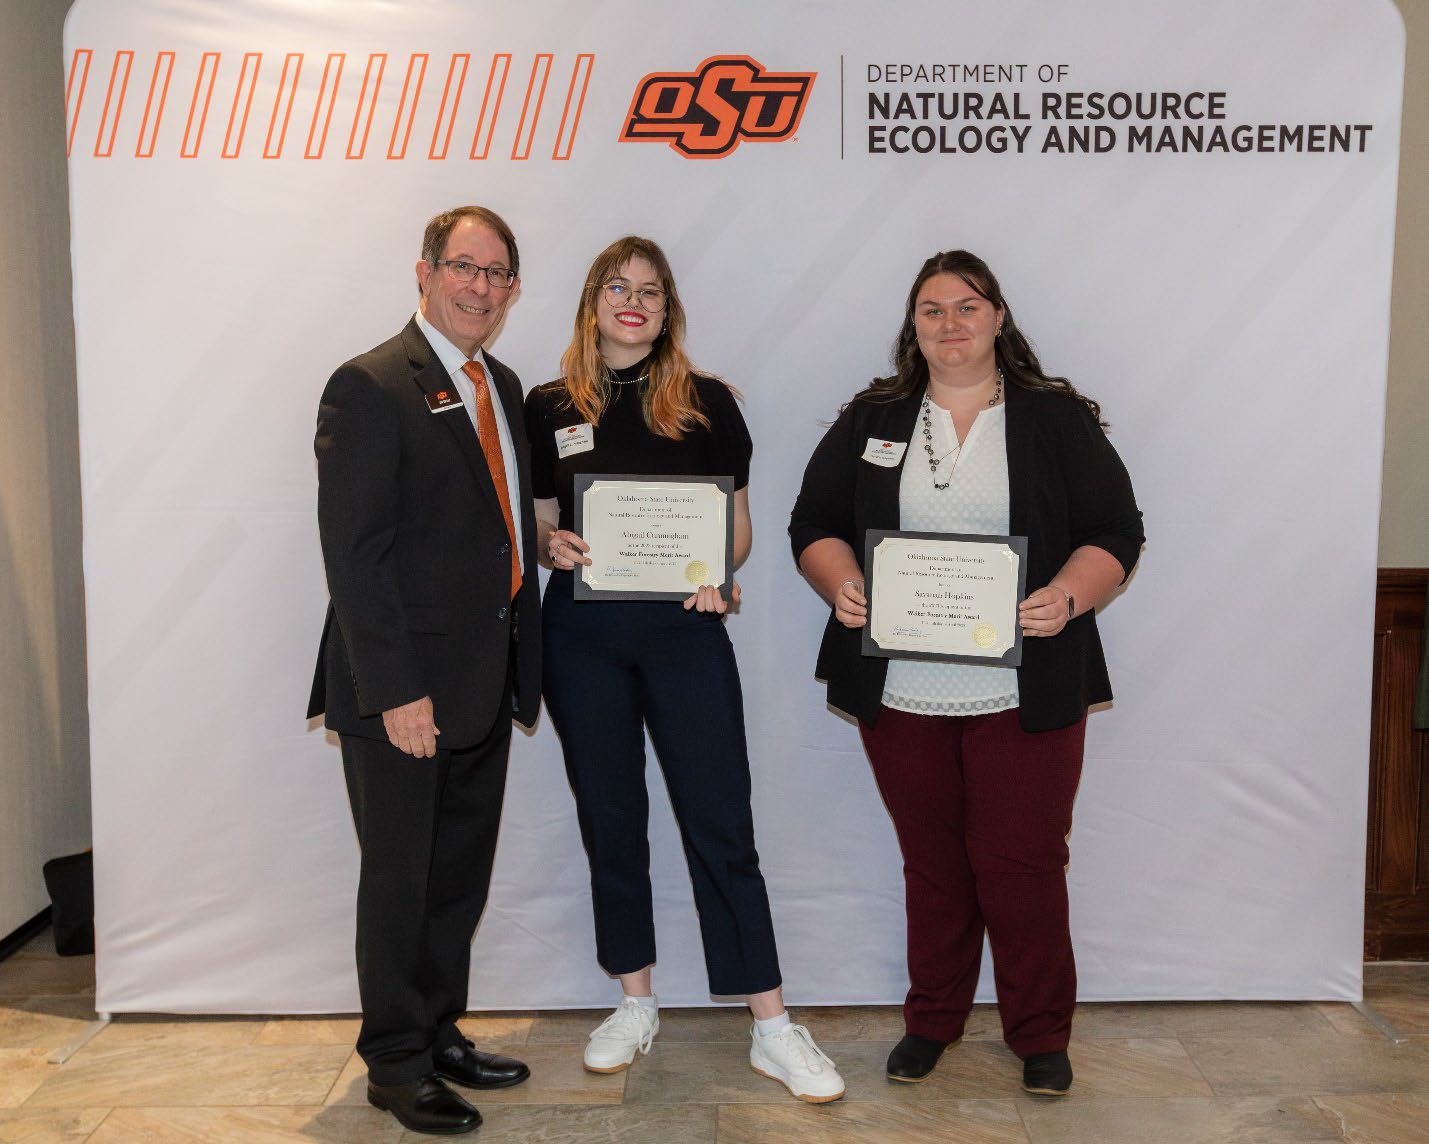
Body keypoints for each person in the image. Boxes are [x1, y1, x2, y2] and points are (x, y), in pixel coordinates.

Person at [789, 250, 1144, 1097]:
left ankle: (1039, 1033)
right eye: (931, 310)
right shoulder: (873, 417)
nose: (950, 324)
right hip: (902, 687)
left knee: (1020, 863)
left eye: (967, 307)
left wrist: (1065, 595)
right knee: (933, 862)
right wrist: (839, 582)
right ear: (911, 327)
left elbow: (1116, 530)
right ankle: (932, 1020)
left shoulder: (1054, 418)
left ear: (998, 319)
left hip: (1026, 686)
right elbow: (814, 522)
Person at [524, 235, 844, 1104]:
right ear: (592, 301)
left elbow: (734, 526)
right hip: (580, 639)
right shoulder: (547, 403)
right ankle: (634, 1002)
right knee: (611, 818)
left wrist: (719, 576)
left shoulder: (707, 403)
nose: (634, 303)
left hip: (685, 634)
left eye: (652, 293)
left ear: (669, 311)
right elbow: (545, 521)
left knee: (719, 822)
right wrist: (551, 542)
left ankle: (772, 1025)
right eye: (619, 288)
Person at [309, 206, 540, 1136]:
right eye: (463, 267)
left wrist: (542, 546)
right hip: (403, 694)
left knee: (456, 877)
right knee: (400, 882)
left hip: (485, 679)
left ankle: (439, 1029)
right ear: (424, 273)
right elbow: (354, 556)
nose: (479, 287)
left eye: (497, 274)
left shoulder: (504, 384)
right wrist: (396, 690)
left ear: (514, 290)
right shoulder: (369, 385)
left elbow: (488, 525)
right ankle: (395, 1065)